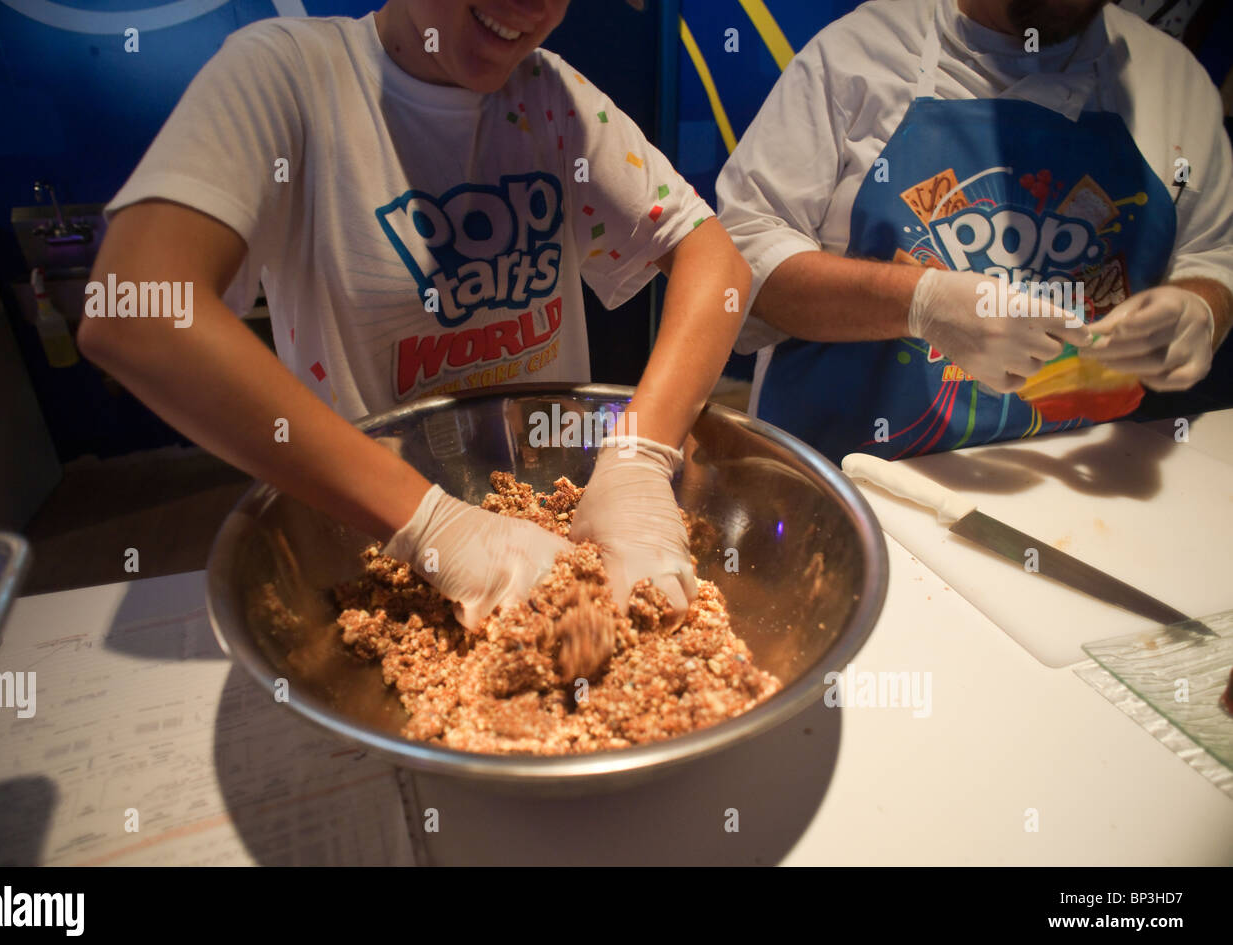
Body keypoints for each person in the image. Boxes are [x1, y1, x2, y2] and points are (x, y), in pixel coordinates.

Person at [78, 1, 750, 628]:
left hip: (555, 501)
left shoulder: (551, 98)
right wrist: (436, 527)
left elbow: (716, 261)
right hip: (373, 537)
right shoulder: (290, 76)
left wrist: (637, 457)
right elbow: (135, 308)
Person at [716, 0, 1233, 463]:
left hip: (1075, 494)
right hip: (851, 485)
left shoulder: (1174, 84)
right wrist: (921, 303)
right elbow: (739, 261)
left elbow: (1212, 253)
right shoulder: (859, 56)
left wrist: (1199, 310)